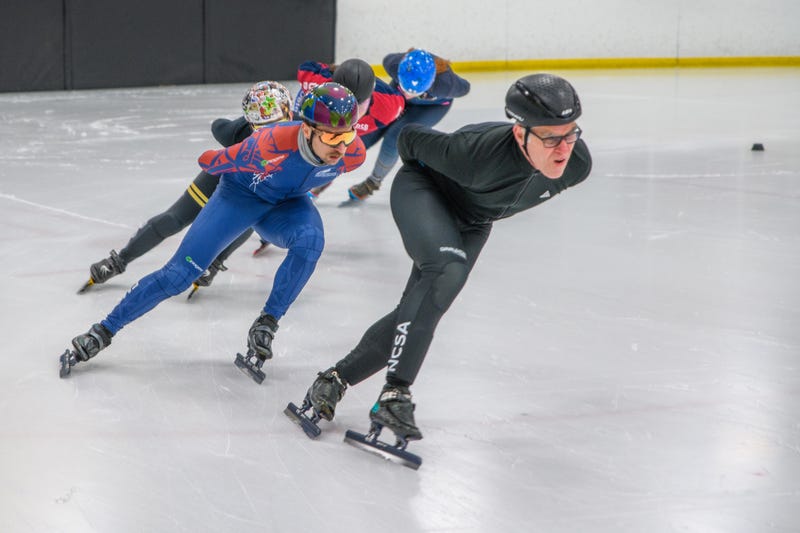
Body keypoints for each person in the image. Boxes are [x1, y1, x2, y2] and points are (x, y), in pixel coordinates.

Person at [294, 73, 592, 446]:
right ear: (520, 134)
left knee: (423, 306)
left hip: (475, 220)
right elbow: (408, 138)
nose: (563, 148)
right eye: (550, 137)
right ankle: (395, 394)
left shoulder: (577, 165)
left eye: (570, 133)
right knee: (446, 270)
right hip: (424, 189)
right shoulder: (475, 154)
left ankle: (332, 381)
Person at [60, 83, 366, 379]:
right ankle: (103, 330)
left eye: (347, 135)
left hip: (287, 205)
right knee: (179, 276)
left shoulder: (354, 154)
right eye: (331, 136)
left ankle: (267, 323)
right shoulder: (269, 142)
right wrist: (244, 158)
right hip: (241, 198)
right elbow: (211, 161)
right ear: (309, 129)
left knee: (311, 241)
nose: (341, 145)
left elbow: (311, 172)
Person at [78, 81, 293, 295]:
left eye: (276, 123)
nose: (271, 134)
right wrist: (241, 129)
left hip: (256, 187)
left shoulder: (301, 134)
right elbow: (219, 126)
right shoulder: (238, 133)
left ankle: (214, 263)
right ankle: (119, 260)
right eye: (262, 126)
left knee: (248, 218)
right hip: (223, 177)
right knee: (175, 219)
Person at [333, 48, 471, 204]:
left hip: (431, 108)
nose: (407, 95)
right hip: (396, 98)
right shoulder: (393, 64)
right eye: (404, 87)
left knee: (395, 137)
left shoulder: (448, 85)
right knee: (370, 129)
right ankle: (325, 169)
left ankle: (373, 182)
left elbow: (466, 87)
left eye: (415, 92)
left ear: (431, 84)